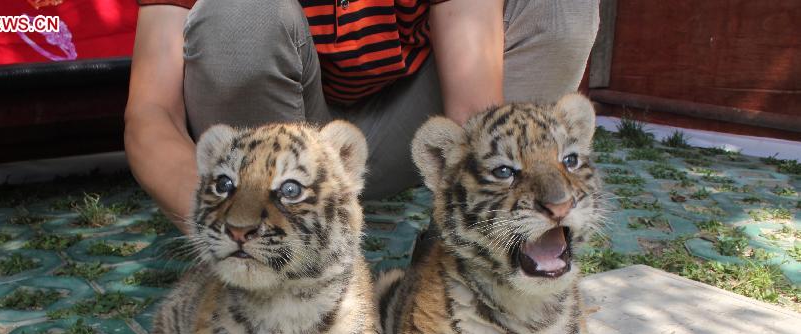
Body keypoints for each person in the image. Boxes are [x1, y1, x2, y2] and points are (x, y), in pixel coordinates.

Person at [124, 0, 599, 233]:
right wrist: (224, 223)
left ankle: (477, 263)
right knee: (240, 12)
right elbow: (151, 113)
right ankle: (275, 257)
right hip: (272, 135)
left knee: (559, 6)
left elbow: (478, 114)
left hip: (404, 121)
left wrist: (478, 210)